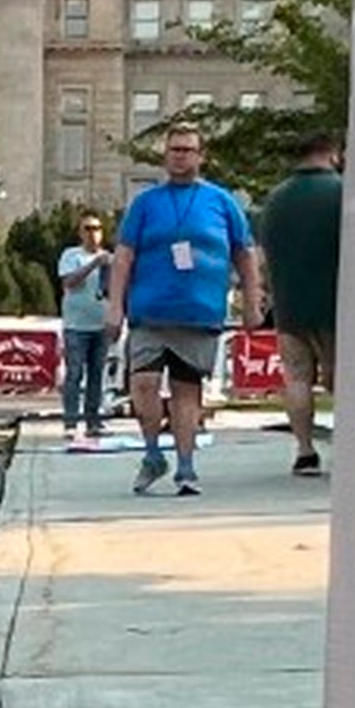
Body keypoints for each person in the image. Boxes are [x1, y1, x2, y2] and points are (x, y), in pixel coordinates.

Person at [105, 122, 256, 496]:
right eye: (174, 149)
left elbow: (245, 253)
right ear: (165, 155)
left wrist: (253, 300)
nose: (180, 156)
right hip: (149, 313)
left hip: (198, 314)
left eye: (188, 149)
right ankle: (153, 453)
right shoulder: (145, 204)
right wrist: (114, 306)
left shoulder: (222, 203)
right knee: (143, 385)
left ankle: (186, 468)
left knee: (187, 393)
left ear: (201, 156)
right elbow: (123, 256)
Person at [256, 133, 344, 477]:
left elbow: (264, 255)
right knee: (341, 379)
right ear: (333, 153)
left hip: (290, 302)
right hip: (335, 301)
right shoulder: (342, 193)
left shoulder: (276, 199)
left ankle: (305, 450)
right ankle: (348, 448)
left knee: (296, 378)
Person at [55, 214, 115, 448]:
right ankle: (71, 421)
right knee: (74, 373)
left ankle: (93, 420)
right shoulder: (72, 255)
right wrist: (93, 265)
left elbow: (114, 289)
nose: (93, 232)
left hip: (100, 323)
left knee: (97, 374)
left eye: (97, 228)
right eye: (88, 228)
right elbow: (70, 282)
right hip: (76, 325)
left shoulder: (108, 258)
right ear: (80, 232)